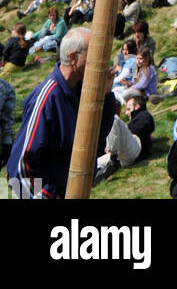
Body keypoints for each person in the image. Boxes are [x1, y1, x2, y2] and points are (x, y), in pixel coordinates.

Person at [7, 29, 116, 199]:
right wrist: (49, 195)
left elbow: (97, 139)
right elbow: (20, 167)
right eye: (93, 54)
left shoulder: (82, 91)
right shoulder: (46, 99)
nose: (99, 61)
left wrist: (106, 96)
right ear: (73, 57)